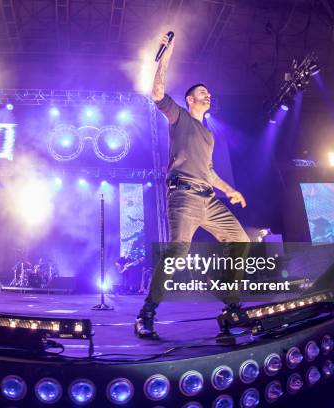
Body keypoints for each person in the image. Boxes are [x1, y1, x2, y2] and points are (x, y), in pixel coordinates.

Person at [135, 33, 250, 339]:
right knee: (177, 253)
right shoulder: (179, 117)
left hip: (208, 199)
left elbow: (209, 171)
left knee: (240, 240)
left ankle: (231, 304)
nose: (207, 94)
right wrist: (165, 55)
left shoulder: (209, 134)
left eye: (209, 92)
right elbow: (157, 91)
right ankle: (146, 314)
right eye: (202, 92)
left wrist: (230, 190)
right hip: (183, 196)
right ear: (189, 99)